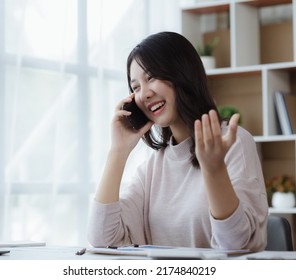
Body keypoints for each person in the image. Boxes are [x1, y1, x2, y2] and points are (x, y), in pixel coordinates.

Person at [87, 31, 268, 251]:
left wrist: (214, 170)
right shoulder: (152, 169)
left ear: (182, 73)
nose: (144, 94)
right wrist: (118, 152)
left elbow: (235, 245)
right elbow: (103, 240)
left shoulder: (234, 143)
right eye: (135, 87)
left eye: (151, 77)